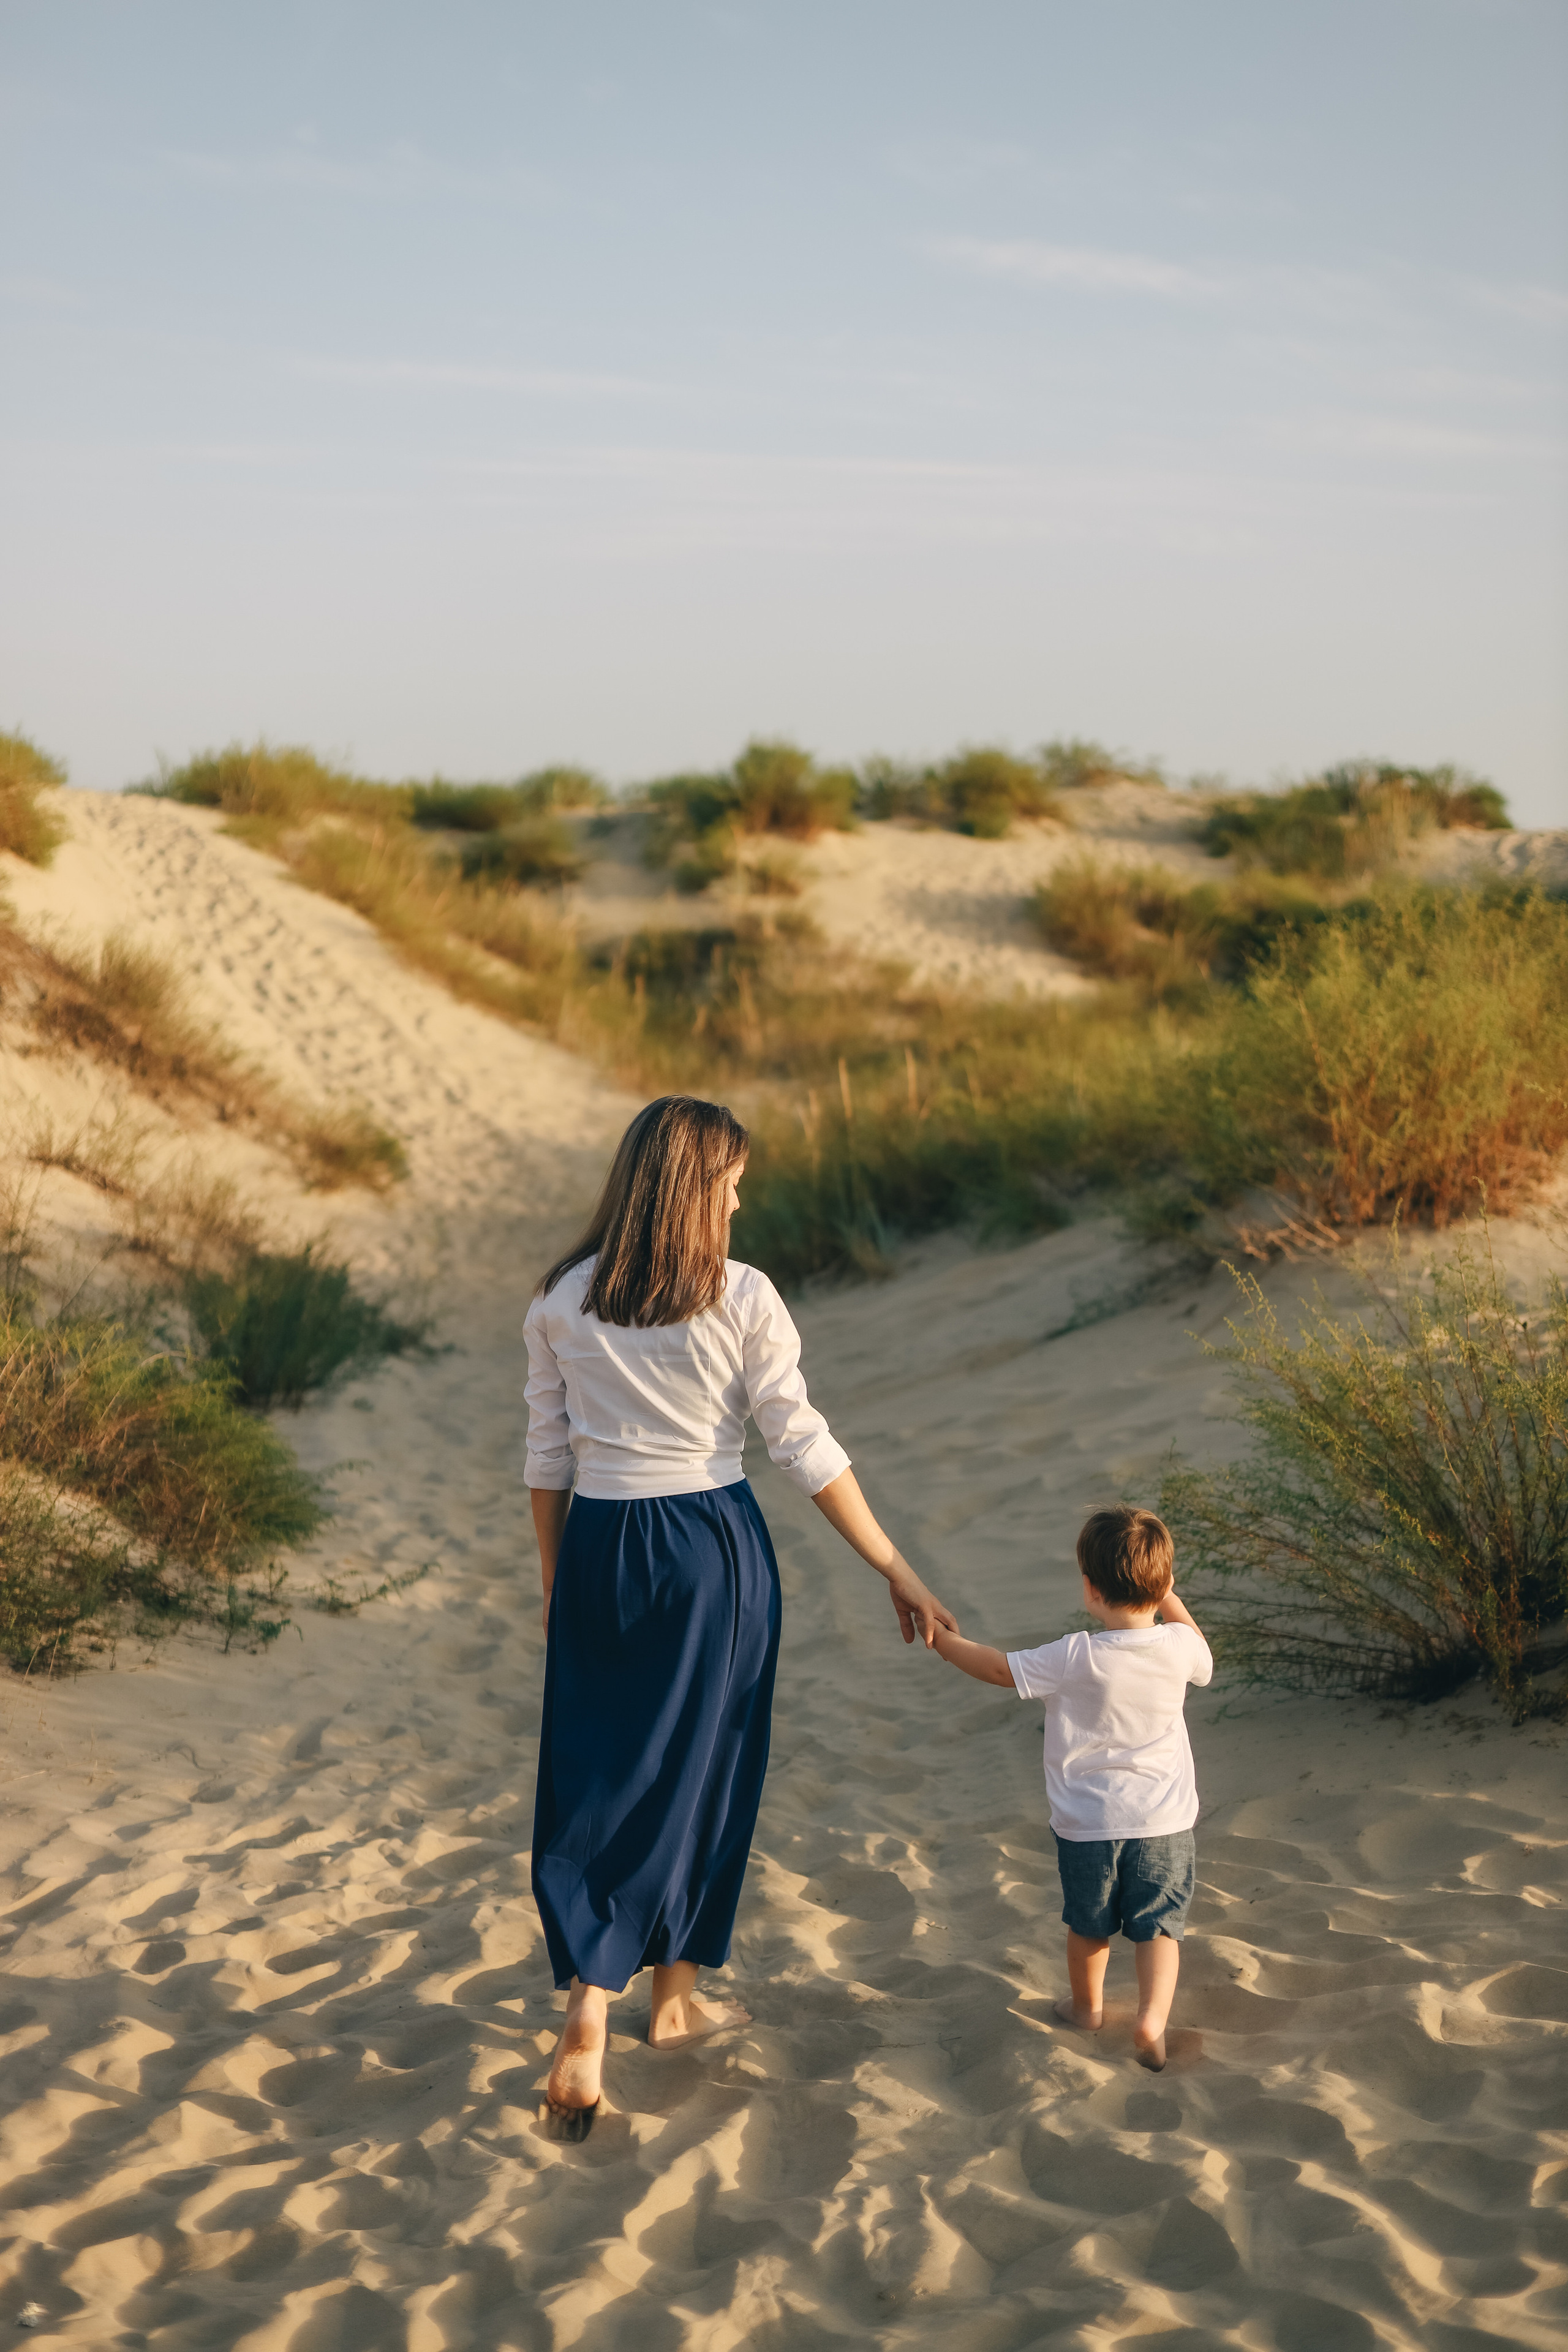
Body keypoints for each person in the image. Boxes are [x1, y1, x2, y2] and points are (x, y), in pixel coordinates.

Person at [524, 1094, 956, 2137]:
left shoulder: (560, 1301)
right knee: (707, 1769)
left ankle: (633, 2000)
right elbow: (803, 1447)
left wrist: (556, 1585)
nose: (738, 1204)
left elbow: (548, 1460)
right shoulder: (744, 1299)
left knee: (601, 1771)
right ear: (691, 1190)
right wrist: (895, 1564)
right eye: (730, 1188)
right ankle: (639, 2004)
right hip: (712, 1554)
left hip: (601, 1549)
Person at [926, 1503, 1212, 2071]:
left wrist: (940, 1639)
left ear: (1090, 1589)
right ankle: (1152, 2018)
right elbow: (1196, 1643)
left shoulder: (1075, 1655)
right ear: (1165, 1585)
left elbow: (997, 1669)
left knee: (1089, 1926)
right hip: (1164, 1823)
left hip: (1089, 1827)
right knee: (1160, 1929)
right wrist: (1167, 1595)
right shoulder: (1179, 1649)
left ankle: (1088, 2010)